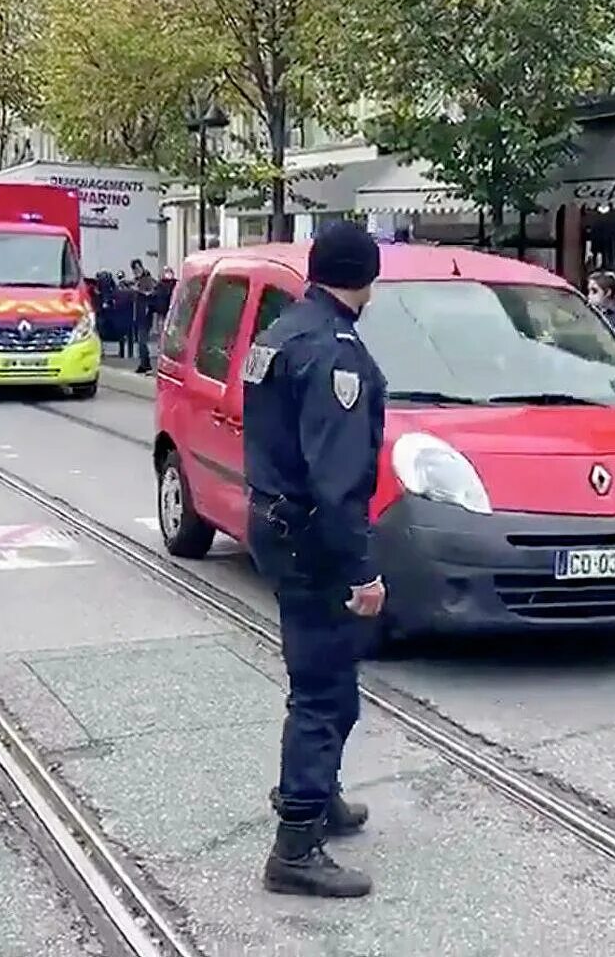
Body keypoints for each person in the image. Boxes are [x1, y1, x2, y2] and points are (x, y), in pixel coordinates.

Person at [240, 220, 386, 900]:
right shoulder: (335, 352)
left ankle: (318, 792)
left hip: (274, 520)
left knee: (325, 674)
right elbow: (337, 477)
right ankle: (296, 840)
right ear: (367, 277)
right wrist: (362, 570)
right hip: (312, 536)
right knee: (324, 688)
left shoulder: (280, 332)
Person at [129, 258, 158, 373]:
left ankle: (146, 364)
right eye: (134, 269)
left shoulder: (147, 279)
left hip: (145, 315)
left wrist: (138, 290)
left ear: (141, 267)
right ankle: (143, 363)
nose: (136, 271)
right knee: (140, 341)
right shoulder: (138, 280)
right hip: (139, 314)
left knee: (142, 341)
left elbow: (150, 293)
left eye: (137, 268)